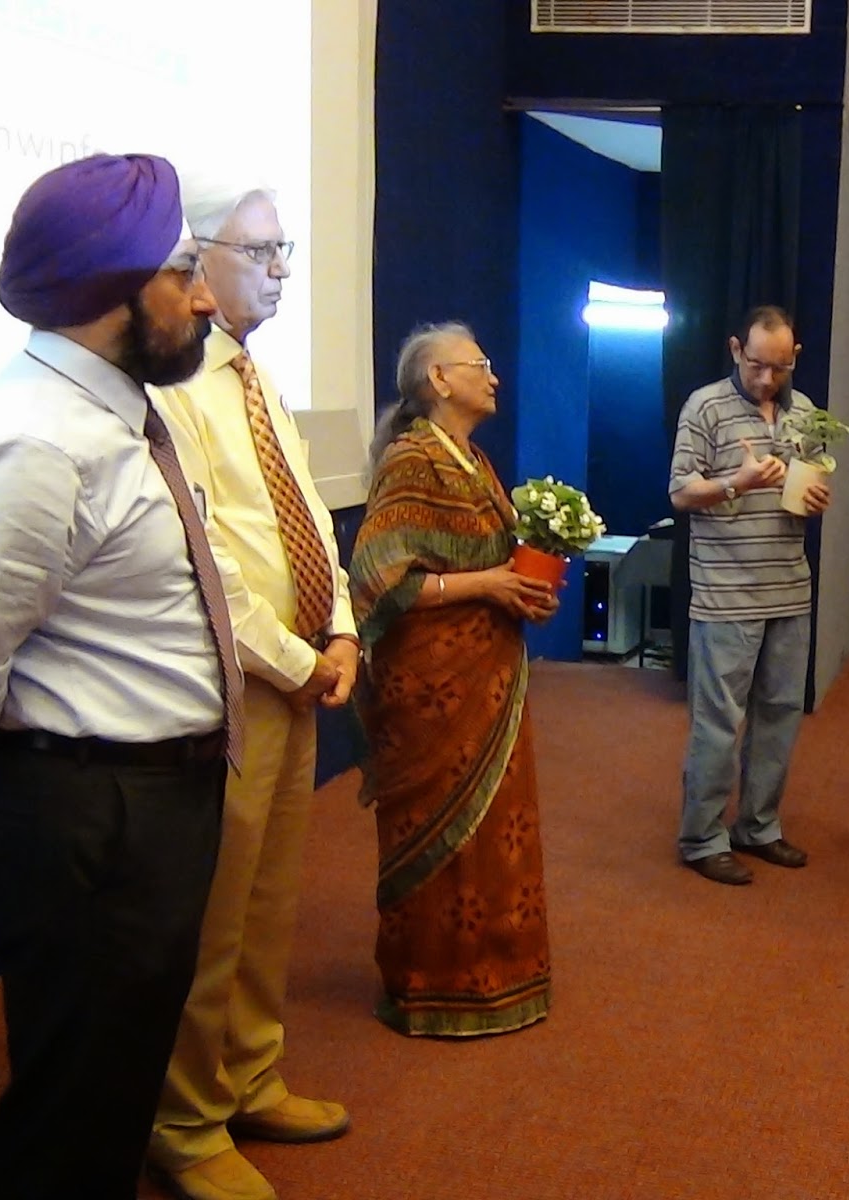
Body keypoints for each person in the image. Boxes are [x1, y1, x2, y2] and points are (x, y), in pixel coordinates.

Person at [0, 153, 240, 1198]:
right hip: (93, 813)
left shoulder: (120, 411)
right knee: (74, 1104)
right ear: (106, 284)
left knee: (118, 1077)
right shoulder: (39, 440)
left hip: (152, 803)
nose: (206, 297)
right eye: (183, 271)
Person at [146, 182, 358, 1200]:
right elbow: (211, 562)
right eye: (259, 251)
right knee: (217, 913)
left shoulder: (256, 373)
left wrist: (342, 626)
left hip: (295, 675)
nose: (280, 270)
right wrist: (296, 658)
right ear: (198, 259)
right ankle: (186, 1123)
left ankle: (250, 1078)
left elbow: (306, 510)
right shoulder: (173, 383)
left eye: (285, 251)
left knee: (270, 902)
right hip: (227, 688)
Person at [349, 322, 560, 1037]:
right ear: (438, 379)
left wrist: (522, 590)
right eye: (480, 364)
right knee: (441, 836)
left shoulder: (474, 461)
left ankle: (502, 973)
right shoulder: (412, 461)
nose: (494, 377)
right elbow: (380, 579)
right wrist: (488, 585)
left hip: (492, 675)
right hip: (432, 684)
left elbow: (496, 566)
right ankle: (432, 986)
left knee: (498, 827)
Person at [669, 305, 832, 886]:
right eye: (757, 364)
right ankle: (701, 838)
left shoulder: (806, 412)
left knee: (780, 715)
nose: (767, 379)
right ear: (737, 349)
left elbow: (810, 482)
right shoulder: (705, 406)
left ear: (795, 359)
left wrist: (813, 497)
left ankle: (758, 826)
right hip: (726, 593)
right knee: (717, 723)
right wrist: (736, 482)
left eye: (780, 367)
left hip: (789, 588)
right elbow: (681, 493)